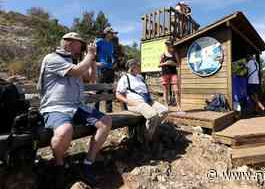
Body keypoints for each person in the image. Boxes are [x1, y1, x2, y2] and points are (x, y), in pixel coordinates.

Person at [37, 32, 112, 188]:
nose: (82, 48)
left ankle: (88, 163)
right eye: (80, 44)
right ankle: (59, 165)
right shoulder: (52, 58)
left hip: (77, 106)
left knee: (106, 121)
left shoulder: (75, 62)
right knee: (65, 131)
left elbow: (90, 78)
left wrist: (91, 59)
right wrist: (89, 56)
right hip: (56, 107)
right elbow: (77, 71)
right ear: (69, 43)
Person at [115, 59, 168, 142]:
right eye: (137, 66)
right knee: (153, 116)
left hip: (148, 101)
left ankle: (147, 131)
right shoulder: (125, 78)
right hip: (136, 103)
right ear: (131, 67)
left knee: (164, 111)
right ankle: (147, 138)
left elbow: (145, 89)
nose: (139, 67)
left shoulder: (140, 77)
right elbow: (118, 95)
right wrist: (129, 102)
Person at [95, 26, 117, 112]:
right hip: (102, 68)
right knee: (99, 89)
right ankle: (95, 111)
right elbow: (90, 50)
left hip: (111, 68)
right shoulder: (99, 41)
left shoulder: (111, 44)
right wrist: (95, 63)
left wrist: (114, 62)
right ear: (106, 33)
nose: (112, 35)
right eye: (111, 33)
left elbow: (111, 55)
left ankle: (109, 111)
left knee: (110, 90)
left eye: (113, 34)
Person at [159, 39, 181, 110]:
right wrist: (166, 63)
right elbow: (158, 65)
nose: (167, 46)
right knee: (166, 90)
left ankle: (179, 107)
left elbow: (178, 64)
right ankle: (166, 106)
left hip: (173, 73)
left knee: (176, 90)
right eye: (166, 44)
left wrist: (173, 63)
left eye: (169, 44)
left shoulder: (175, 54)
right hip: (165, 73)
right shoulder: (163, 54)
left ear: (171, 45)